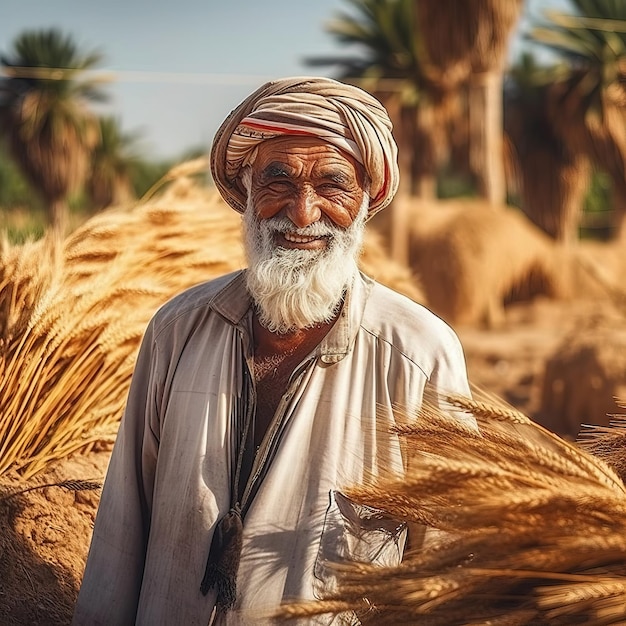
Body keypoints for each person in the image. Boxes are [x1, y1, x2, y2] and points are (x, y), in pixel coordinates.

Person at [73, 76, 472, 626]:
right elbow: (123, 526)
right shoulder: (177, 330)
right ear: (246, 190)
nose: (302, 212)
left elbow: (442, 570)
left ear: (364, 201)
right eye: (277, 179)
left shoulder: (418, 356)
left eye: (332, 184)